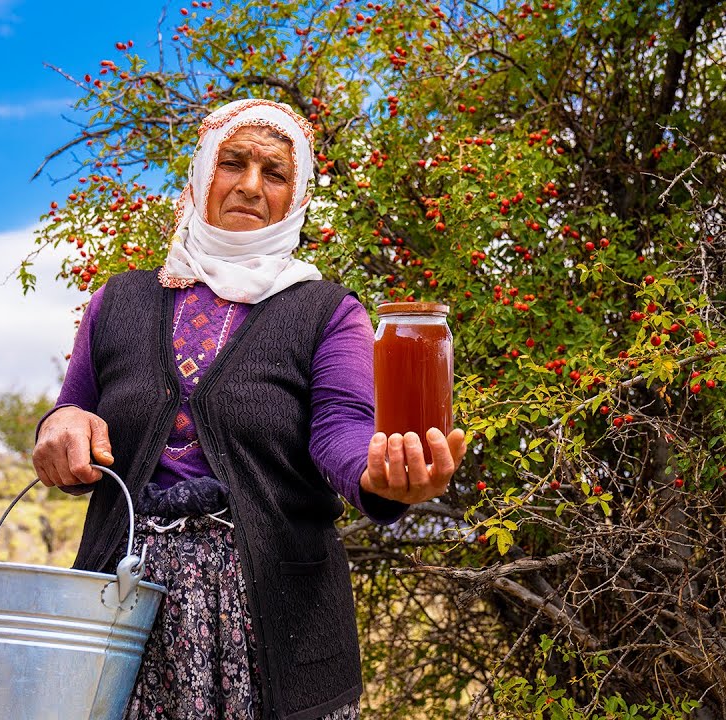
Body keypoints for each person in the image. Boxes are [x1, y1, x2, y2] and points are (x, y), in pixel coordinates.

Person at [32, 98, 467, 720]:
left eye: (276, 173)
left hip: (273, 612)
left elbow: (342, 431)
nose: (251, 186)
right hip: (122, 608)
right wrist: (62, 427)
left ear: (298, 196)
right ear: (201, 173)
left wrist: (382, 475)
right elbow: (71, 411)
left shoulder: (325, 311)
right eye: (233, 163)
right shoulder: (119, 300)